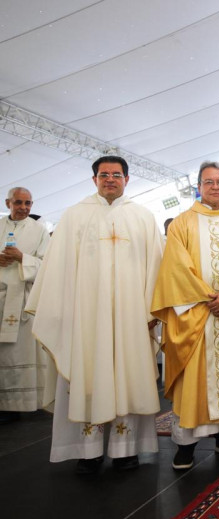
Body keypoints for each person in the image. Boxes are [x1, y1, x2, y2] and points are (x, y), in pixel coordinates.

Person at [25, 156, 163, 474]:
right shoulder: (75, 216)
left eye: (116, 174)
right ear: (94, 180)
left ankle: (125, 449)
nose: (110, 179)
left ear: (127, 179)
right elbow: (57, 268)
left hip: (131, 318)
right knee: (88, 374)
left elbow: (156, 267)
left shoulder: (142, 217)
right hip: (85, 318)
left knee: (126, 376)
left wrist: (151, 311)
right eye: (104, 175)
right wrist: (61, 312)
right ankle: (87, 451)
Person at [152, 161, 219, 470]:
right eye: (209, 182)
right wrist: (208, 296)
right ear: (199, 187)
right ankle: (186, 443)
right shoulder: (183, 223)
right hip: (196, 314)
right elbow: (175, 265)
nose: (215, 186)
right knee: (193, 379)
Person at [0, 188, 50, 423]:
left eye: (28, 203)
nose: (23, 207)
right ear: (8, 202)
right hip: (0, 299)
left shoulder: (39, 230)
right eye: (18, 202)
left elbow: (49, 265)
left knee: (20, 353)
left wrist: (22, 258)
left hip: (24, 300)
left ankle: (24, 403)